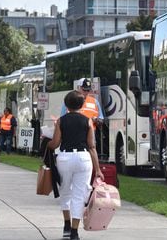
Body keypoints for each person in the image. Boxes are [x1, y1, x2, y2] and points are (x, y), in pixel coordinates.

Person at [48, 90, 104, 240]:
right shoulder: (87, 121)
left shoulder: (61, 121)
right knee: (79, 196)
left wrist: (47, 144)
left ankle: (66, 224)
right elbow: (92, 146)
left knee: (65, 191)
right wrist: (98, 169)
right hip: (83, 158)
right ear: (82, 104)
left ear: (66, 105)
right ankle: (74, 231)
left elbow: (55, 143)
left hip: (65, 157)